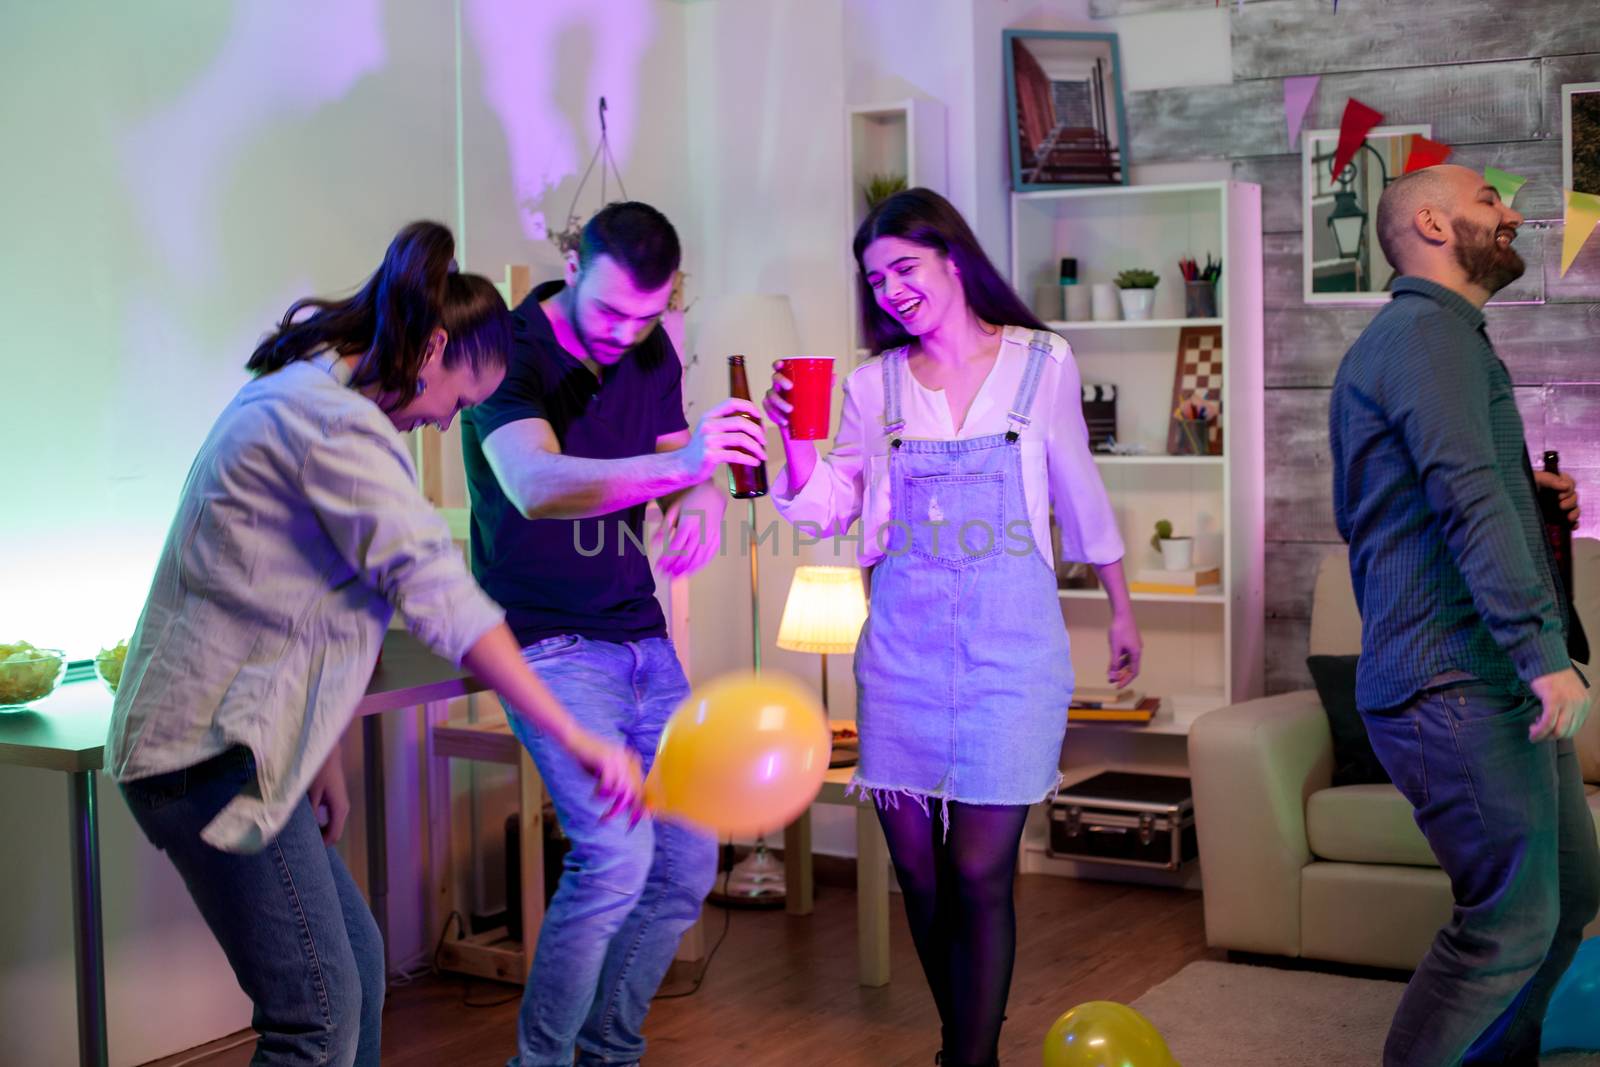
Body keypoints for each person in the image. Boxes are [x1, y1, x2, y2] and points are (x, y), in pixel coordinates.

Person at [107, 221, 644, 1067]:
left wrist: (324, 752)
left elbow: (306, 597)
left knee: (352, 972)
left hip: (240, 740)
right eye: (460, 401)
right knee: (316, 1015)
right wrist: (575, 735)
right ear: (431, 348)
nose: (445, 422)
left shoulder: (318, 386)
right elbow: (445, 600)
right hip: (203, 750)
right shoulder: (334, 427)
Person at [762, 188, 1141, 1067]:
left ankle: (970, 1060)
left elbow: (1080, 489)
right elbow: (829, 507)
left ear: (953, 259)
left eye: (905, 267)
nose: (890, 289)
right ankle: (962, 1046)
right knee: (920, 877)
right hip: (901, 655)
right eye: (875, 278)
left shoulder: (1043, 362)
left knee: (977, 871)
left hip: (1016, 653)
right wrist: (791, 443)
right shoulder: (872, 384)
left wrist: (1121, 605)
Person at [460, 201, 764, 1067]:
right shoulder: (508, 348)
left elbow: (681, 462)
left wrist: (701, 496)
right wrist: (686, 467)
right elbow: (534, 481)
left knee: (683, 869)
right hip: (547, 643)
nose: (626, 334)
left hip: (643, 636)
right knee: (613, 858)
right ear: (572, 262)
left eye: (648, 315)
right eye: (610, 312)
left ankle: (608, 1052)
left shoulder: (649, 345)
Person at [1329, 164, 1595, 1066]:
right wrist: (1539, 648)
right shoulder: (1423, 336)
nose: (1512, 212)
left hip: (1490, 675)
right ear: (1435, 224)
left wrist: (1532, 497)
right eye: (1490, 200)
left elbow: (1456, 489)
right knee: (1507, 926)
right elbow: (1463, 491)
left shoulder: (1444, 337)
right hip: (1457, 679)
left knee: (1568, 896)